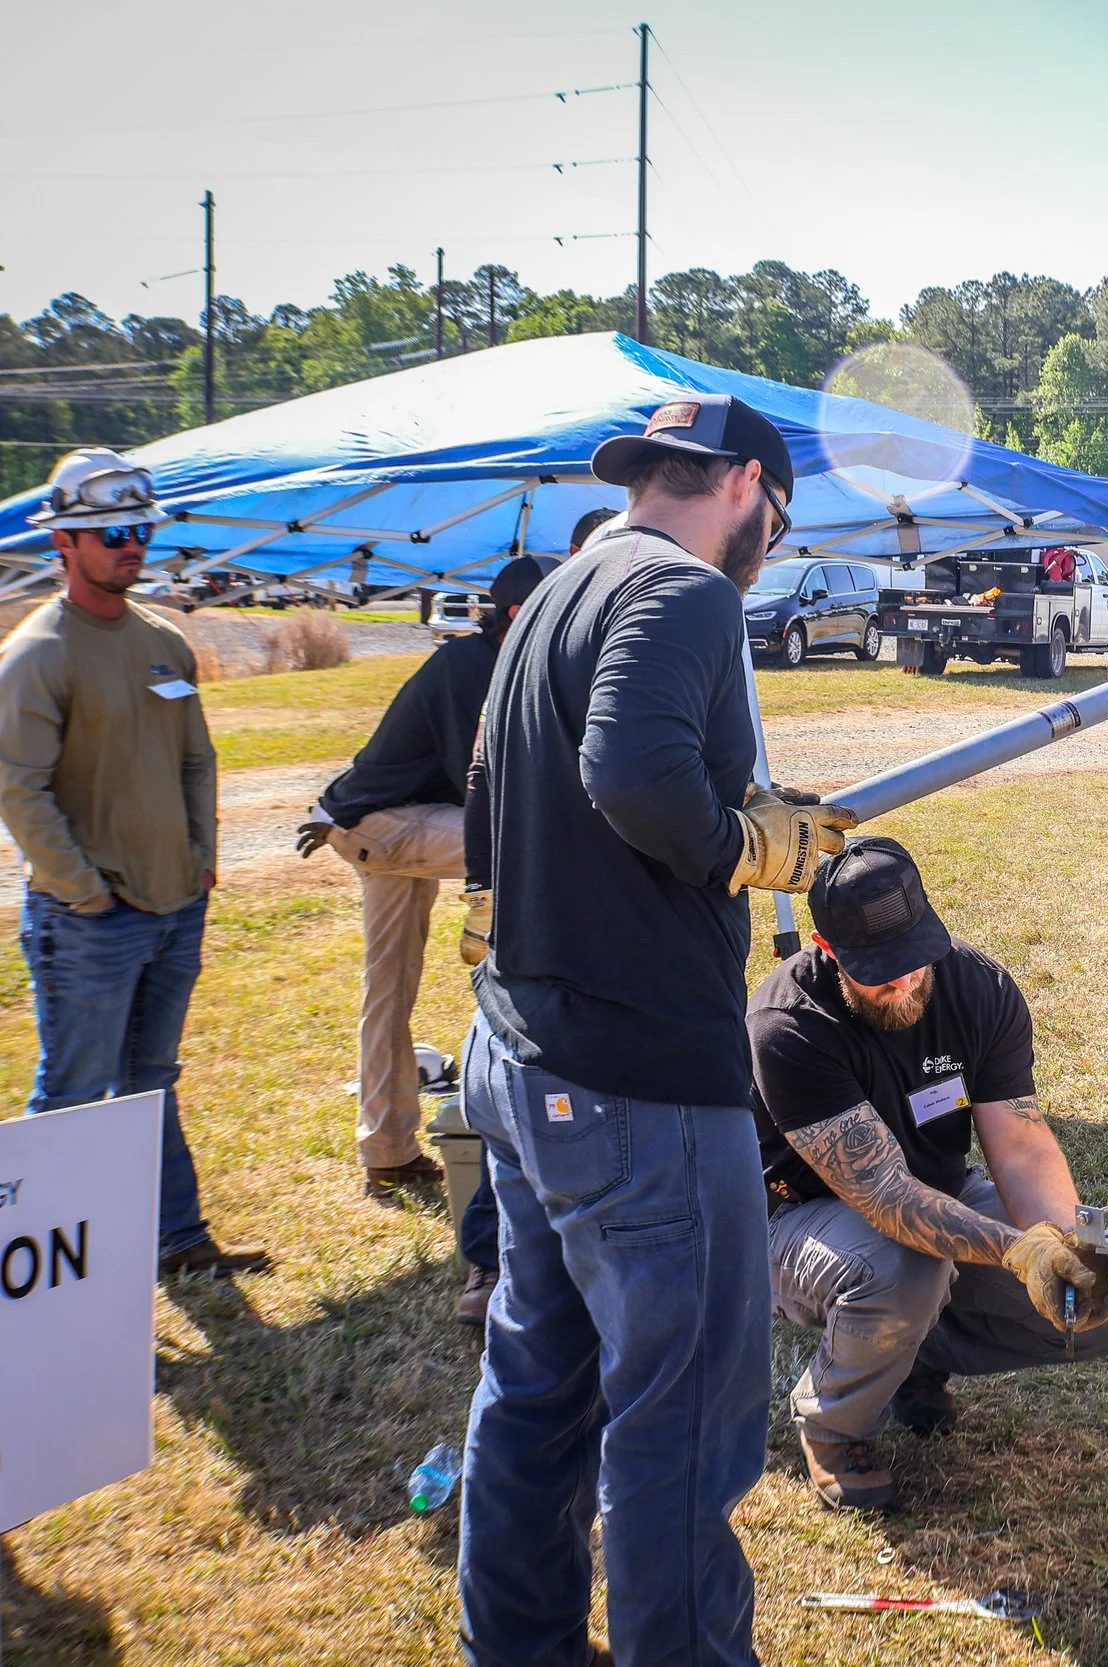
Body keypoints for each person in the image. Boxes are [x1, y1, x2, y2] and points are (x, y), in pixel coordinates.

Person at [455, 394, 848, 1667]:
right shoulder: (684, 593)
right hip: (632, 1081)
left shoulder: (566, 585)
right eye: (774, 530)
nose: (765, 558)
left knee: (537, 1385)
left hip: (526, 1049)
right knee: (680, 1423)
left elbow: (487, 782)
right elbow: (627, 770)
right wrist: (745, 845)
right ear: (743, 484)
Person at [750, 836, 1108, 1509]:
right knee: (903, 1267)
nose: (905, 982)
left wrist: (1067, 1246)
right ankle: (834, 1421)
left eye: (914, 961)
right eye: (880, 973)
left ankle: (906, 1357)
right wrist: (1023, 1253)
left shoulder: (979, 986)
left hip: (933, 1192)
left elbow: (1022, 1145)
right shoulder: (789, 1023)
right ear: (828, 950)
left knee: (1101, 1312)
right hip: (795, 1218)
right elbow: (883, 1196)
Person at [0, 449, 268, 1279]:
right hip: (90, 921)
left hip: (174, 904)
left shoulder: (163, 641)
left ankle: (176, 1242)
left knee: (150, 1081)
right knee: (73, 1098)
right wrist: (85, 892)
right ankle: (48, 1283)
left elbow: (197, 760)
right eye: (111, 531)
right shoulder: (38, 652)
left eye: (140, 529)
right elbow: (18, 786)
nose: (131, 545)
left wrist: (201, 861)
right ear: (65, 543)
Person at [295, 555, 552, 1204]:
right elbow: (491, 793)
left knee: (388, 988)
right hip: (377, 824)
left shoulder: (499, 662)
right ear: (519, 614)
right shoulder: (473, 669)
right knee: (525, 844)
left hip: (371, 820)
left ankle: (387, 1153)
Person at [447, 510, 618, 1324]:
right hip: (540, 931)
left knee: (532, 1117)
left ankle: (527, 1276)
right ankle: (490, 1269)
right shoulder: (555, 629)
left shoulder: (602, 624)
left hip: (571, 923)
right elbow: (485, 771)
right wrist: (484, 894)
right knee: (525, 1109)